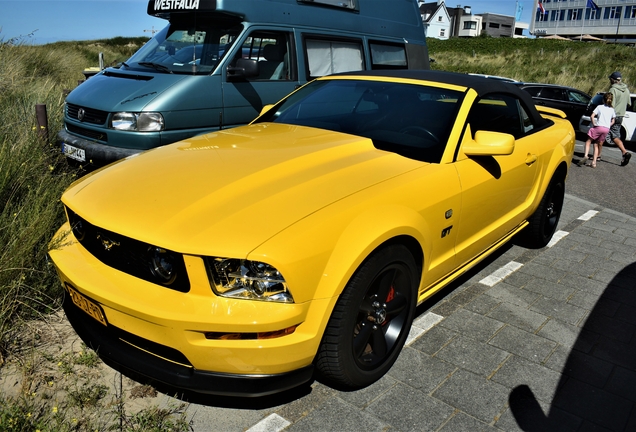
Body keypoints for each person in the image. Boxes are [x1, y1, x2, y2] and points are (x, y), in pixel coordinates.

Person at [578, 92, 615, 168]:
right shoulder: (612, 109)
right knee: (596, 144)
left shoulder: (599, 107)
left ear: (603, 100)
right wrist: (608, 125)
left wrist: (594, 123)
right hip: (606, 129)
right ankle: (594, 162)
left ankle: (586, 155)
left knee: (588, 141)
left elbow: (592, 116)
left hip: (598, 126)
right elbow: (613, 120)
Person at [607, 71, 632, 167]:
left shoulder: (613, 89)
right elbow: (629, 103)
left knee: (602, 132)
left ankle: (597, 155)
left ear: (613, 80)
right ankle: (624, 153)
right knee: (615, 135)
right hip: (621, 115)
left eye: (610, 79)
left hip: (612, 114)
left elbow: (609, 103)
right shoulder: (626, 89)